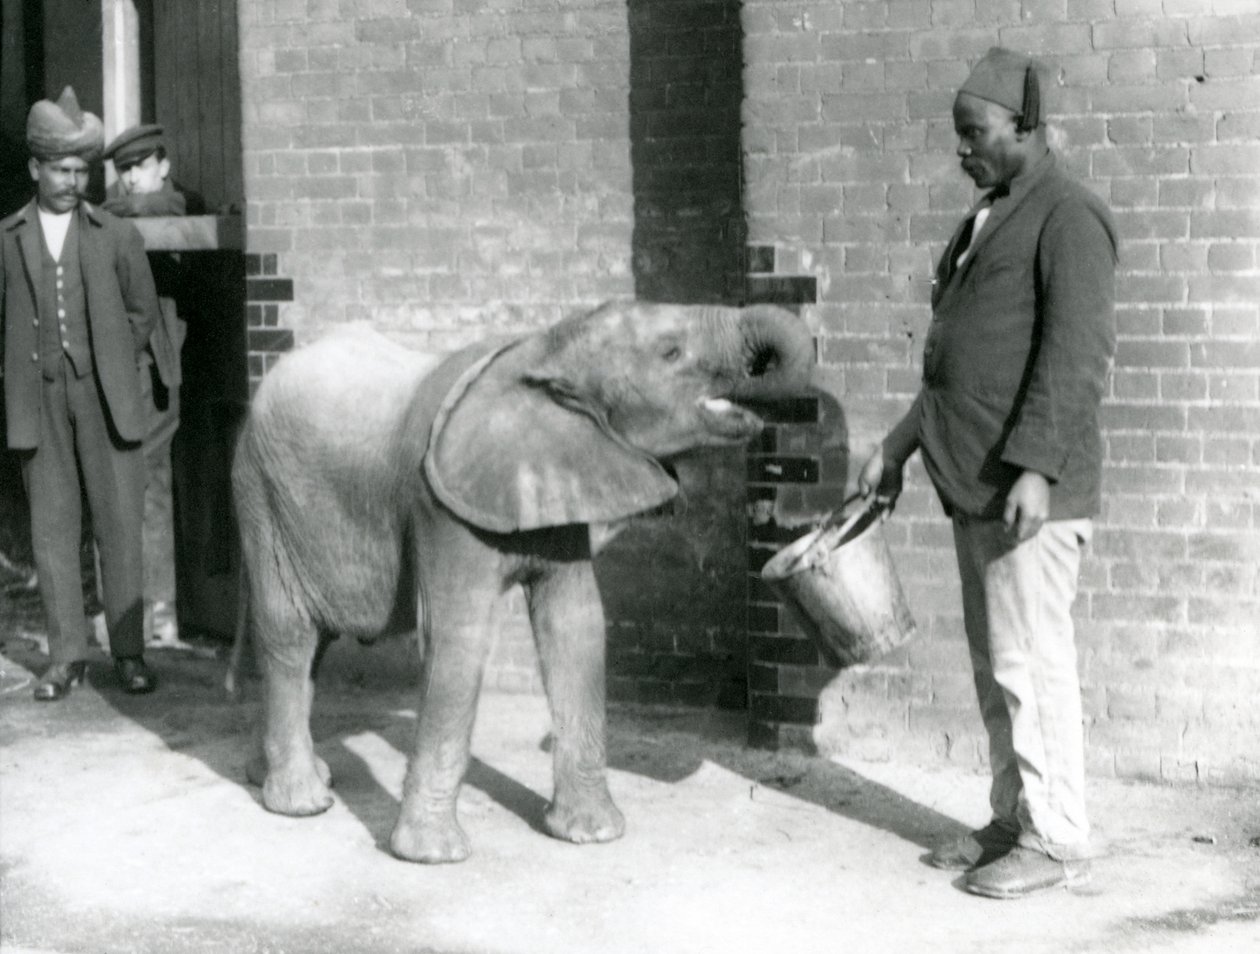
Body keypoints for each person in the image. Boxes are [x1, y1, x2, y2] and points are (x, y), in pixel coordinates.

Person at [858, 48, 1117, 899]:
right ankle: (1013, 819)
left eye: (975, 133)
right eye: (959, 135)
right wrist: (898, 447)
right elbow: (953, 368)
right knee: (996, 664)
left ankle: (1058, 836)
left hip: (1028, 495)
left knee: (1032, 664)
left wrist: (1037, 469)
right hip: (977, 485)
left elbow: (1075, 358)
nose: (961, 149)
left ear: (1025, 126)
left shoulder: (1069, 217)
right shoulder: (994, 211)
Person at [0, 87, 162, 699]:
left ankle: (129, 653)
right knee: (53, 530)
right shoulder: (7, 237)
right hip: (38, 404)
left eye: (81, 171)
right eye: (61, 170)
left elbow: (141, 312)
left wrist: (110, 362)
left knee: (119, 525)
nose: (73, 181)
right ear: (35, 169)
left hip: (105, 400)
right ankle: (66, 656)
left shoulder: (114, 235)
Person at [102, 124, 203, 645]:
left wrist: (109, 211)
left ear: (164, 165)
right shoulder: (112, 217)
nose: (133, 179)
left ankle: (159, 609)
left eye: (141, 166)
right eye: (124, 171)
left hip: (157, 368)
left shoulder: (175, 206)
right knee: (118, 484)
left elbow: (164, 210)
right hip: (114, 364)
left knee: (151, 483)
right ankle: (125, 606)